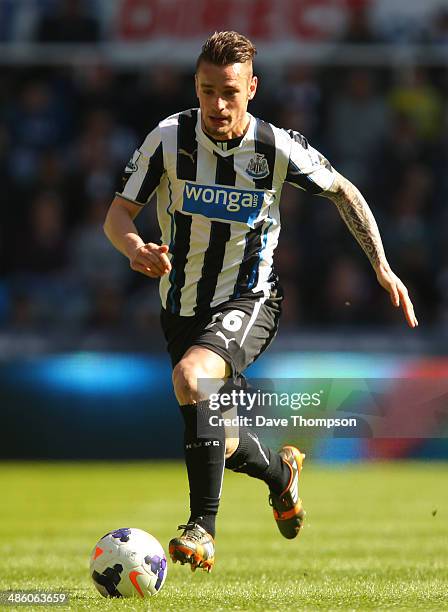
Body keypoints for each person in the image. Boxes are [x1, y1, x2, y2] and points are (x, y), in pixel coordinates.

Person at [103, 31, 418, 573]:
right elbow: (117, 215)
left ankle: (202, 528)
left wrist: (381, 265)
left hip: (251, 299)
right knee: (218, 433)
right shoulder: (167, 139)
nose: (217, 105)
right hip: (180, 306)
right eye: (206, 91)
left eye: (229, 91)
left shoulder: (274, 147)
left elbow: (344, 190)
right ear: (195, 88)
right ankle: (281, 475)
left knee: (190, 377)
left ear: (252, 88)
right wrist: (133, 247)